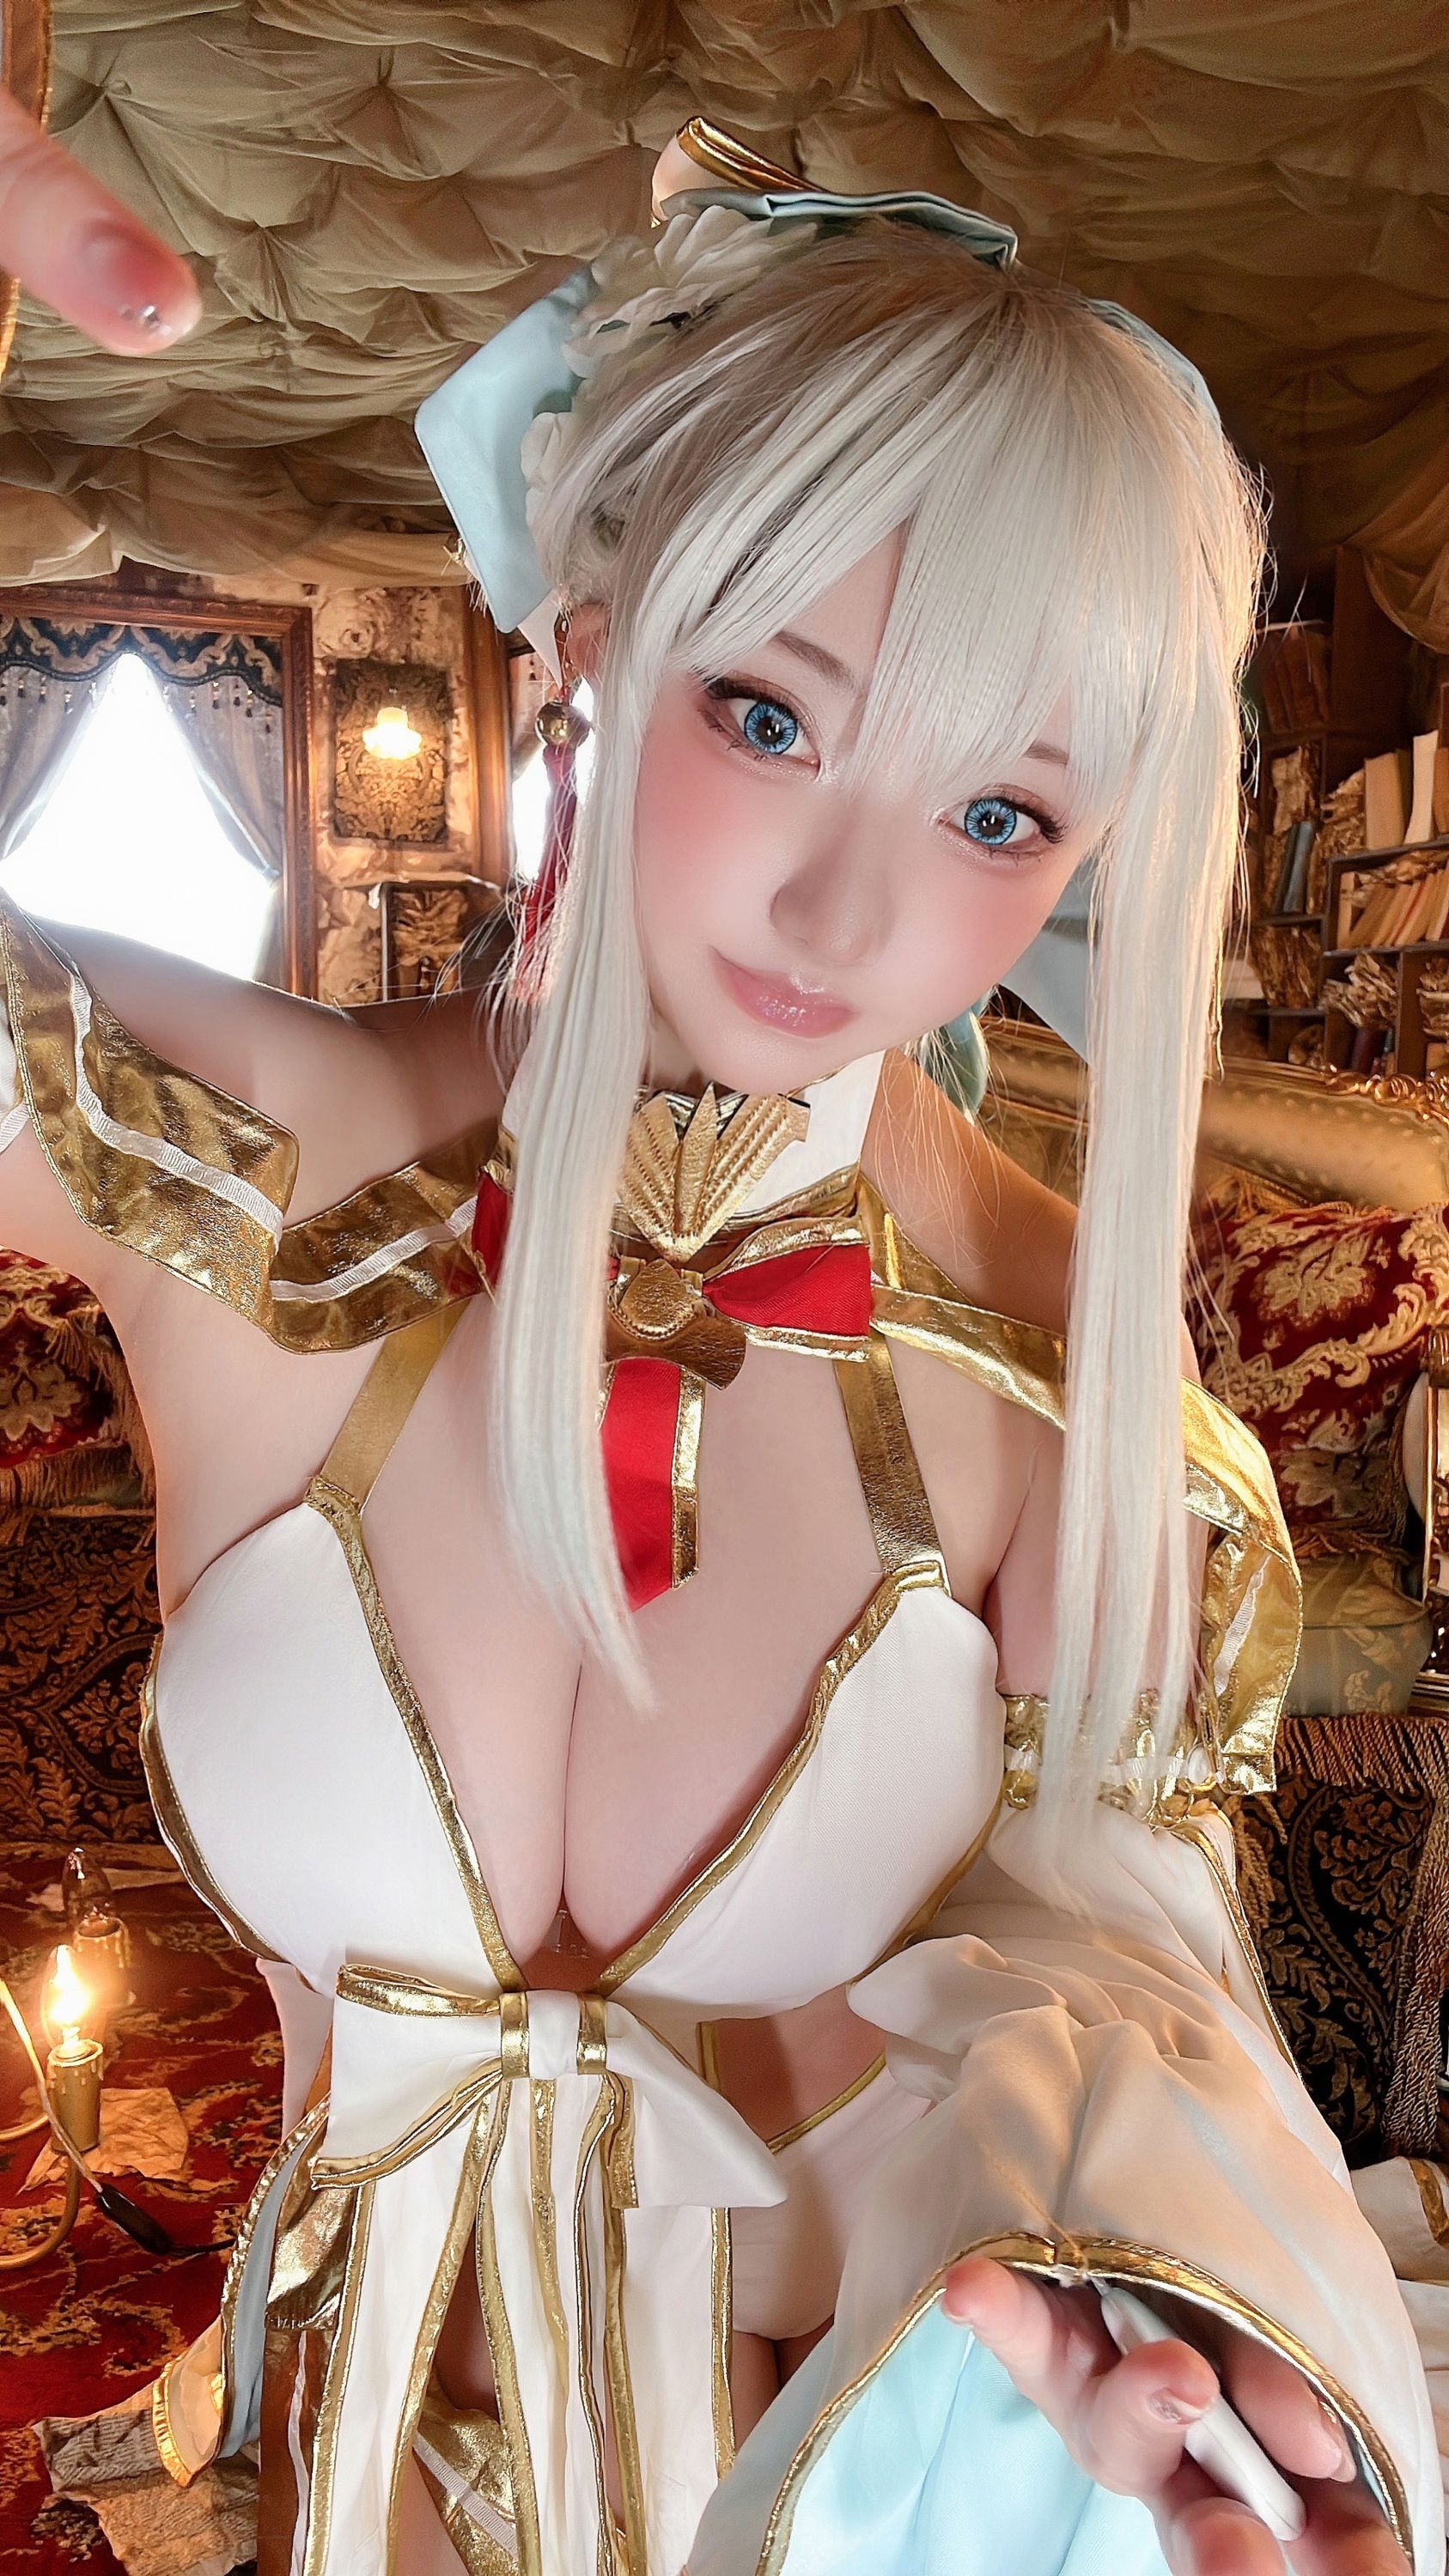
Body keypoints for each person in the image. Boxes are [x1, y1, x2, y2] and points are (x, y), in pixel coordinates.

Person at [0, 89, 1440, 2576]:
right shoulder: (241, 1160)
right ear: (589, 638)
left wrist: (1162, 2320)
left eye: (1001, 813)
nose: (850, 909)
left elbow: (1134, 1999)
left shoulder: (1076, 1383)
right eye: (769, 714)